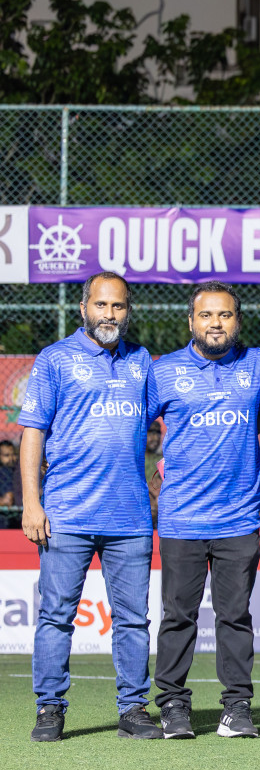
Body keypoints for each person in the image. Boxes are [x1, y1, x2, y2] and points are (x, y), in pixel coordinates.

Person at [23, 273, 159, 742]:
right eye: (101, 305)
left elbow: (181, 408)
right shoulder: (55, 359)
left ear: (128, 311)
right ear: (83, 308)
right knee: (56, 615)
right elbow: (33, 433)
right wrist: (30, 502)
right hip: (66, 515)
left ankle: (134, 709)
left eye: (118, 306)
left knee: (133, 619)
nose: (110, 314)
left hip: (131, 519)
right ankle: (50, 708)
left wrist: (169, 464)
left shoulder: (142, 360)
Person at [149, 282, 260, 740]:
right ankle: (174, 705)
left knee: (235, 616)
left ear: (237, 321)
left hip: (239, 518)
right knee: (177, 616)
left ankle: (236, 706)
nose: (215, 323)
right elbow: (132, 423)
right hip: (181, 517)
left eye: (224, 315)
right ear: (191, 321)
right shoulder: (163, 372)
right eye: (206, 315)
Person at [0, 438, 19, 507]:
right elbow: (8, 498)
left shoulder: (16, 471)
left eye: (13, 454)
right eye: (6, 455)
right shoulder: (3, 471)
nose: (11, 458)